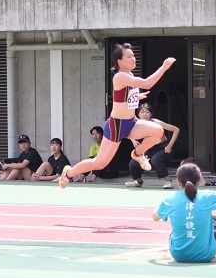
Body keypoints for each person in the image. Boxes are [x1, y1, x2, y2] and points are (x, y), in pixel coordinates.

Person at [58, 43, 176, 189]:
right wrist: (163, 67)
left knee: (158, 131)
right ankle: (68, 173)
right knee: (100, 163)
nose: (133, 59)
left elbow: (122, 96)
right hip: (117, 125)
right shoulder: (120, 76)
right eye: (129, 57)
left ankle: (138, 154)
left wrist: (136, 96)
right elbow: (147, 83)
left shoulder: (129, 75)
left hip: (131, 122)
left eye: (134, 56)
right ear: (120, 61)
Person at [152, 161, 216, 263]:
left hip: (179, 255)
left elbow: (155, 217)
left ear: (178, 182)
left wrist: (163, 206)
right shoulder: (209, 196)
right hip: (206, 254)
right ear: (199, 179)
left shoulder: (169, 199)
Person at [125, 103, 180, 189]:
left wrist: (169, 145)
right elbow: (126, 132)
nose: (144, 114)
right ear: (138, 114)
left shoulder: (155, 122)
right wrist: (133, 141)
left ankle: (168, 181)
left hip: (163, 147)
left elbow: (176, 130)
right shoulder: (136, 124)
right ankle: (138, 181)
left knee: (156, 160)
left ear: (151, 114)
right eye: (142, 112)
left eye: (147, 112)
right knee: (133, 162)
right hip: (149, 148)